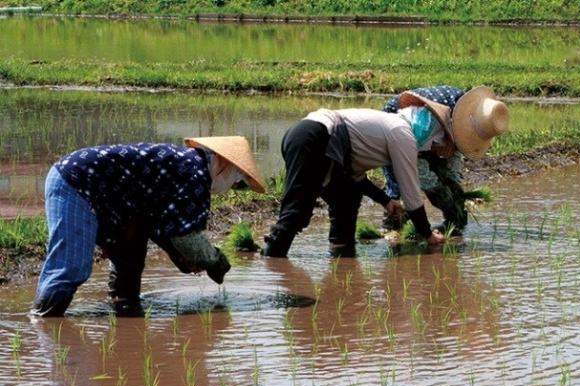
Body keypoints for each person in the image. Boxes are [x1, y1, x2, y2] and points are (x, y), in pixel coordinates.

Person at [260, 86, 509, 258]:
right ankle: (272, 264)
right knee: (297, 210)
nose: (435, 147)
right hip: (315, 136)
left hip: (319, 139)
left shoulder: (388, 132)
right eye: (436, 141)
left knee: (346, 199)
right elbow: (410, 189)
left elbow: (356, 177)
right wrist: (427, 234)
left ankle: (342, 256)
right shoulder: (402, 134)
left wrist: (386, 201)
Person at [31, 136, 266, 317]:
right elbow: (184, 236)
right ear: (225, 165)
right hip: (79, 182)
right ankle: (44, 321)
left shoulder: (187, 164)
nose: (232, 188)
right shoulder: (194, 172)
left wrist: (183, 260)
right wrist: (214, 261)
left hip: (112, 199)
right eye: (238, 184)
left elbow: (163, 227)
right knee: (71, 267)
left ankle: (122, 306)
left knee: (130, 256)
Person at [381, 85, 468, 234]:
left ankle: (455, 219)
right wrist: (437, 188)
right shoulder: (422, 125)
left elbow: (453, 156)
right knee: (400, 184)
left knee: (446, 183)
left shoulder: (466, 115)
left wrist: (452, 185)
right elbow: (412, 165)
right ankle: (394, 227)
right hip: (401, 130)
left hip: (430, 131)